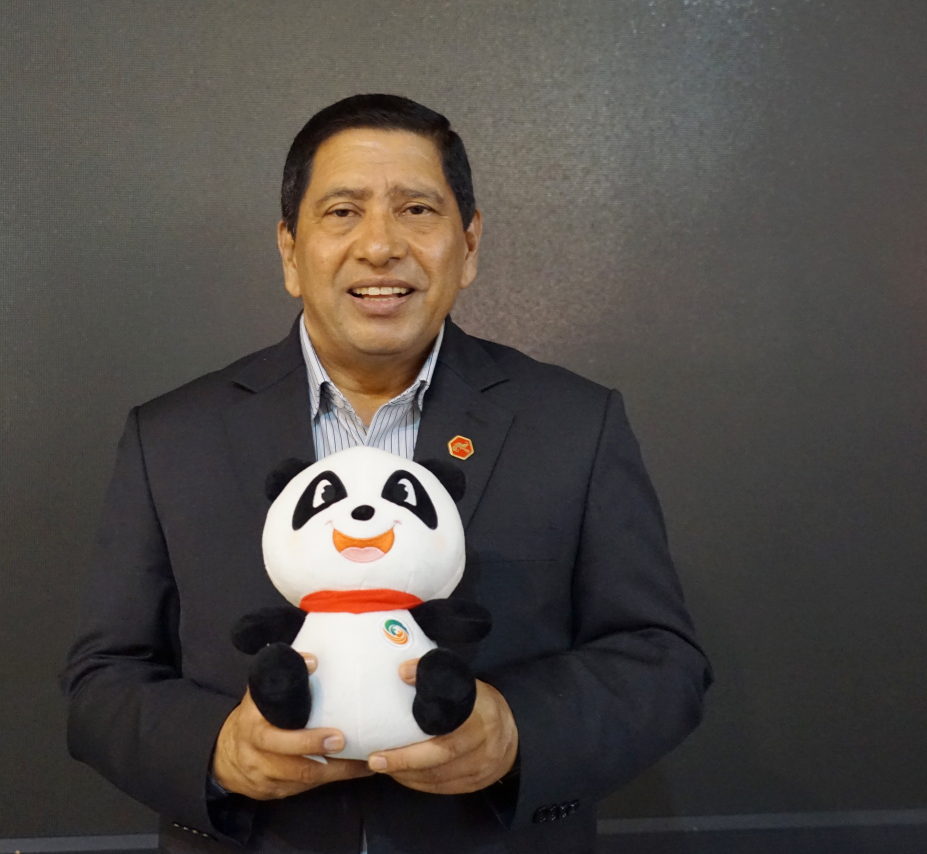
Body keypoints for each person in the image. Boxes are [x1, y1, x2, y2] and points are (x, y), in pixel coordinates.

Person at [61, 94, 712, 854]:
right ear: (289, 250)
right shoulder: (173, 437)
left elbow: (662, 662)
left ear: (468, 245)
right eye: (342, 212)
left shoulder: (573, 425)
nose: (380, 246)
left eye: (417, 210)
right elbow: (103, 679)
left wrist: (516, 732)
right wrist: (218, 751)